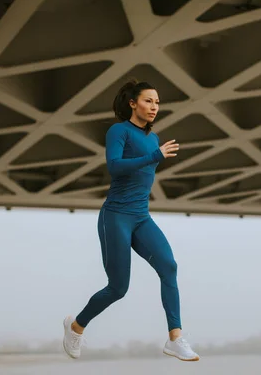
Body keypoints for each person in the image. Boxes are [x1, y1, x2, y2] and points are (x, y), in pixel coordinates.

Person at [62, 79, 200, 362]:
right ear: (132, 103)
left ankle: (175, 337)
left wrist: (154, 152)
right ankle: (76, 327)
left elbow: (143, 171)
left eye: (158, 102)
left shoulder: (153, 138)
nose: (154, 107)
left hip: (141, 216)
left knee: (169, 266)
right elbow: (114, 167)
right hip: (115, 216)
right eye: (149, 101)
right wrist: (154, 156)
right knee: (118, 288)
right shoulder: (119, 131)